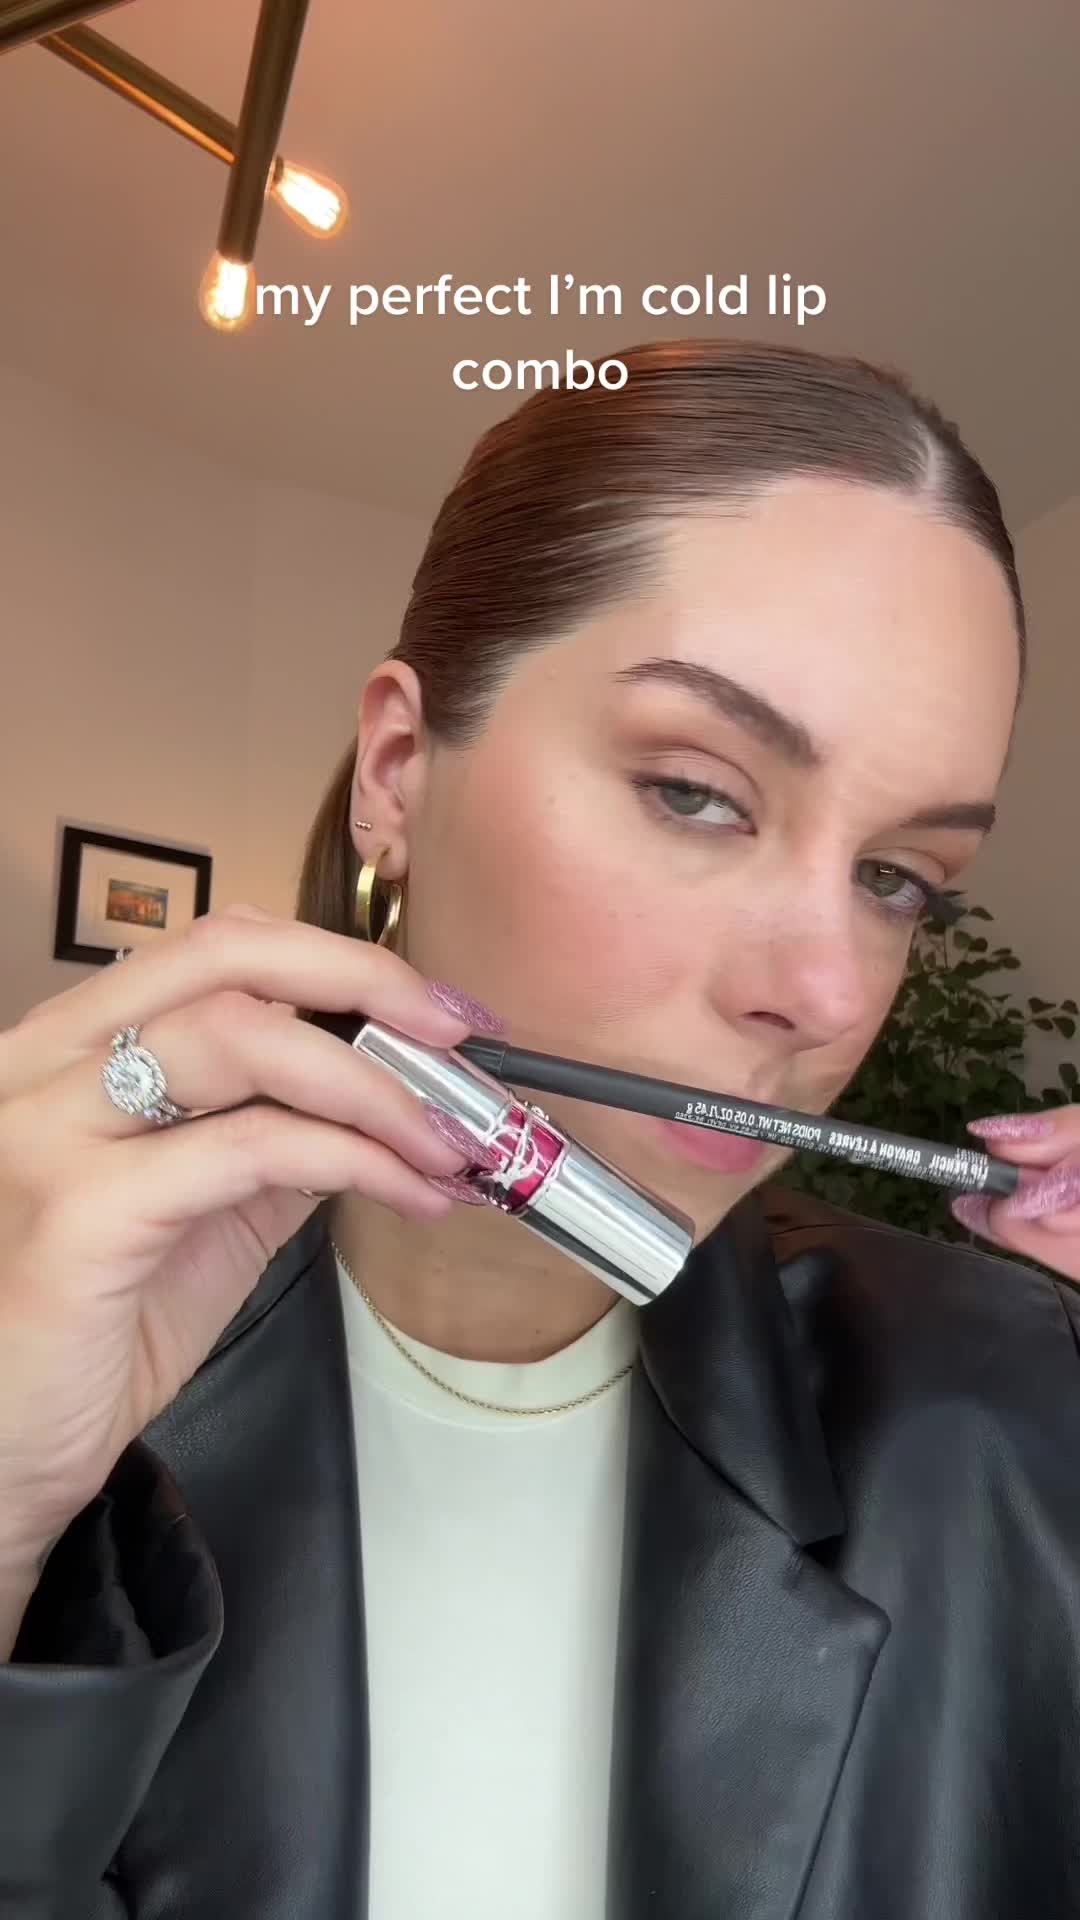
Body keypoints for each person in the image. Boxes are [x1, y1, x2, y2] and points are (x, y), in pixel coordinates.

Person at [2, 339, 1080, 1920]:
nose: (827, 992)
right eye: (697, 791)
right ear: (397, 771)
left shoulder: (1006, 1409)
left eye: (898, 879)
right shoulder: (58, 1347)